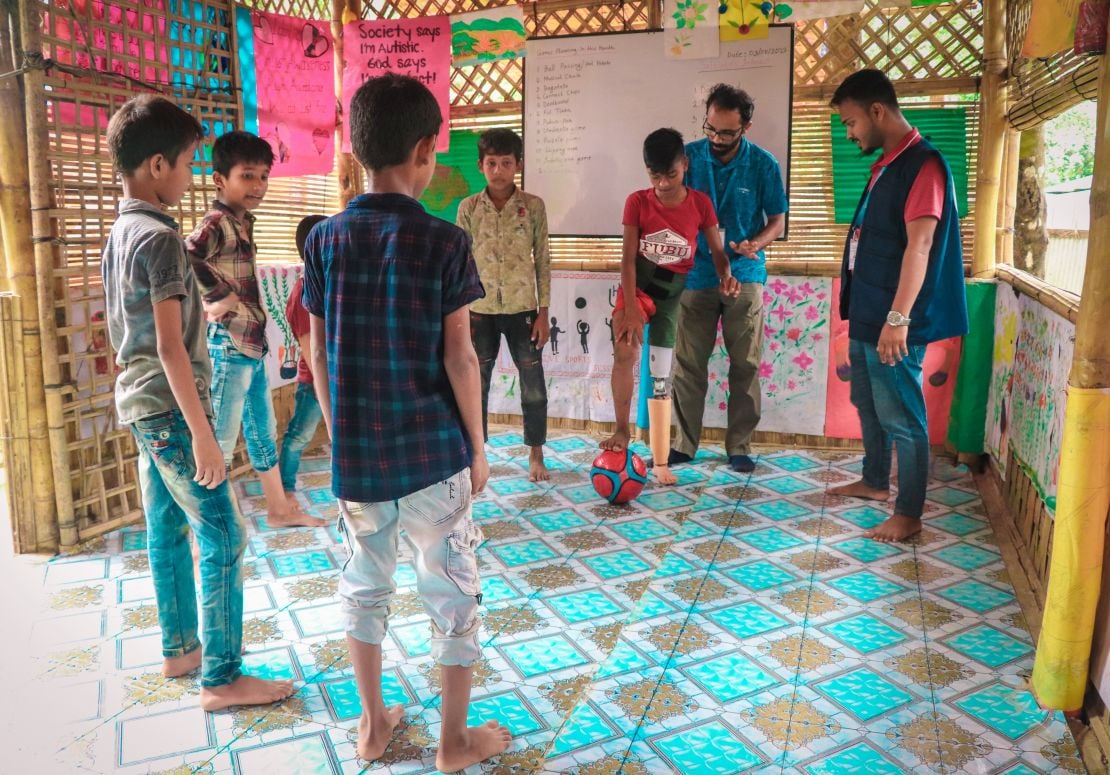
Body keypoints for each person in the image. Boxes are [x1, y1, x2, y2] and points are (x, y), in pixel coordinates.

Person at [302, 73, 511, 769]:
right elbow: (462, 358)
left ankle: (371, 725)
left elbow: (317, 348)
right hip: (433, 458)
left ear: (358, 150)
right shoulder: (445, 241)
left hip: (359, 460)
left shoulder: (325, 240)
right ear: (427, 151)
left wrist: (340, 431)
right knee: (450, 588)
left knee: (365, 586)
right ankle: (454, 743)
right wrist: (477, 447)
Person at [101, 95, 295, 711]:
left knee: (163, 524)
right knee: (224, 533)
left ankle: (181, 647)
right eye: (187, 162)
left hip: (137, 404)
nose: (192, 175)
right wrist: (204, 434)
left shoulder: (122, 228)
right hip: (167, 407)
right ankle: (221, 677)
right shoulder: (159, 237)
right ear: (157, 165)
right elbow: (169, 345)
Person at [827, 68, 968, 542]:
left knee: (903, 417)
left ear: (877, 111)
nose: (849, 134)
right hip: (869, 312)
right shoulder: (887, 163)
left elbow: (920, 247)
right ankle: (872, 481)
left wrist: (898, 319)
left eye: (850, 123)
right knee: (867, 401)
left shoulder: (923, 164)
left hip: (895, 320)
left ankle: (908, 514)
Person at [185, 130, 325, 528]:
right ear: (219, 180)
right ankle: (206, 533)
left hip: (251, 346)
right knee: (220, 444)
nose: (258, 185)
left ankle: (279, 509)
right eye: (247, 176)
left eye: (263, 176)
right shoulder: (218, 222)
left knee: (262, 433)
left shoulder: (243, 222)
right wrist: (215, 295)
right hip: (229, 346)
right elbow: (187, 253)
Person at [602, 128, 740, 485]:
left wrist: (727, 274)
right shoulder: (637, 201)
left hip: (670, 299)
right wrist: (630, 306)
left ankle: (661, 460)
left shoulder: (700, 204)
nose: (663, 184)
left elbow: (718, 252)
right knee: (624, 349)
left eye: (671, 175)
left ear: (685, 165)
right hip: (638, 290)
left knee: (662, 378)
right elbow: (628, 260)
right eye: (655, 175)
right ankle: (621, 431)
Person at [668, 84, 788, 474]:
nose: (717, 139)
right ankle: (684, 444)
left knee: (745, 363)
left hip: (746, 272)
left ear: (746, 126)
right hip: (696, 274)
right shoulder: (687, 158)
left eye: (727, 133)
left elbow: (777, 221)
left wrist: (757, 242)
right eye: (711, 129)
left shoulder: (765, 165)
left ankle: (740, 445)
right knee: (688, 364)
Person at [456, 129, 551, 481]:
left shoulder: (533, 207)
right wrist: (460, 314)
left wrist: (543, 312)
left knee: (533, 385)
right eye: (492, 163)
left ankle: (536, 454)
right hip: (478, 312)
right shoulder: (468, 208)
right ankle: (476, 455)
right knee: (475, 385)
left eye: (506, 163)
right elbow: (460, 264)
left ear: (518, 166)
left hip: (523, 310)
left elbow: (542, 259)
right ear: (481, 166)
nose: (499, 170)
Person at [276, 214, 328, 501]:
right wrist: (327, 384)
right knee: (299, 435)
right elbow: (311, 349)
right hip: (316, 381)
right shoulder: (303, 291)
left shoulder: (325, 286)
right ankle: (285, 489)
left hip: (334, 377)